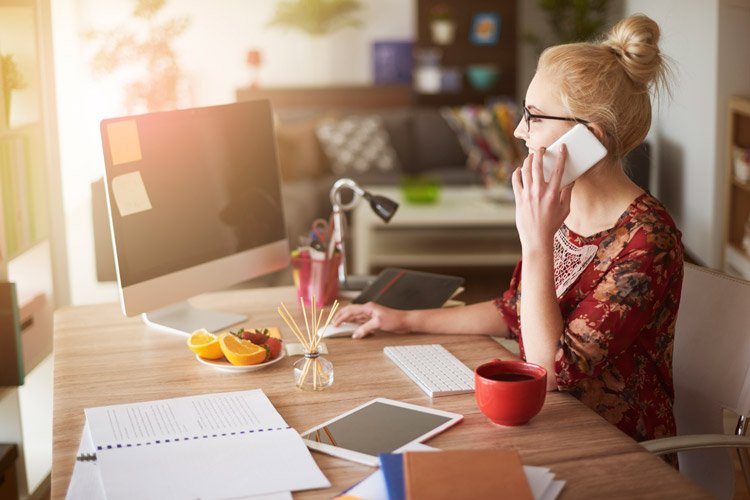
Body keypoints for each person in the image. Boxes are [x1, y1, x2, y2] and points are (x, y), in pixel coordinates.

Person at [332, 14, 684, 448]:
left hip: (613, 449)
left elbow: (550, 369)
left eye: (534, 117)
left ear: (588, 138)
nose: (519, 131)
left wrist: (537, 243)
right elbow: (514, 310)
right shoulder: (560, 207)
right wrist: (403, 320)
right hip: (547, 424)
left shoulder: (649, 239)